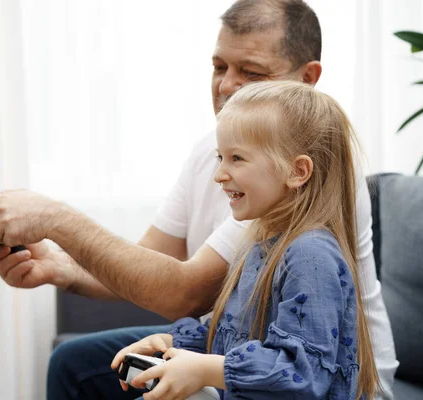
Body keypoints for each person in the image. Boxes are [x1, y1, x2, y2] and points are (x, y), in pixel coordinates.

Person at [0, 1, 398, 398]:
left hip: (337, 385)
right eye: (219, 66)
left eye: (252, 72)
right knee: (77, 363)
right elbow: (165, 274)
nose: (227, 86)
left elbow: (182, 293)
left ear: (308, 78)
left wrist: (55, 218)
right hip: (249, 358)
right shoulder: (245, 193)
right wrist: (64, 267)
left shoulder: (309, 208)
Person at [111, 80, 379, 400]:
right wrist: (173, 344)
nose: (220, 174)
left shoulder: (310, 257)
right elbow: (233, 339)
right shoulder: (259, 246)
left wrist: (205, 370)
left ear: (298, 172)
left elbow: (304, 373)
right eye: (220, 157)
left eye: (236, 158)